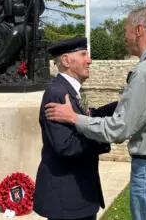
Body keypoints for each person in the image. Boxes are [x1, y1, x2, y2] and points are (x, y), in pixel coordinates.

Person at [44, 6, 146, 220]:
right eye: (83, 54)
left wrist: (75, 118)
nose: (124, 37)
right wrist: (121, 105)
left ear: (139, 29)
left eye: (126, 30)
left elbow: (119, 129)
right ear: (65, 61)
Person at [33, 37, 116, 220]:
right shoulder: (57, 93)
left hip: (78, 194)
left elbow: (85, 117)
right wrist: (103, 136)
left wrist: (121, 105)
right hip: (68, 199)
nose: (90, 60)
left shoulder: (70, 90)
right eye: (83, 54)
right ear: (66, 60)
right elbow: (66, 146)